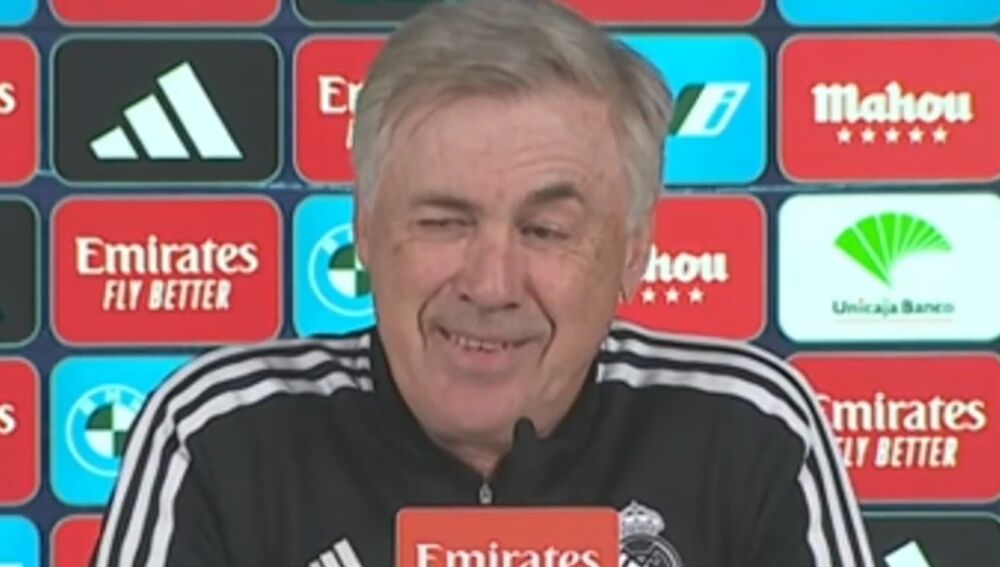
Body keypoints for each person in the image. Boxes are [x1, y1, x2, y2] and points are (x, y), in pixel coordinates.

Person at [90, 0, 875, 565]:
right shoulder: (219, 435)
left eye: (546, 230)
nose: (491, 283)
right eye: (444, 221)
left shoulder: (750, 430)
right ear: (365, 230)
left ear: (633, 254)